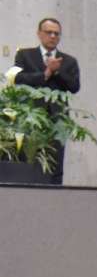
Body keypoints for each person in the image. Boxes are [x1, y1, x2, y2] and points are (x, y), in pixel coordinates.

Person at [14, 17, 81, 182]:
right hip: (30, 118)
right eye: (48, 32)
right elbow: (18, 79)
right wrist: (45, 74)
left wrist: (57, 71)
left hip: (57, 120)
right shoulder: (24, 55)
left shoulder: (69, 61)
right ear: (39, 34)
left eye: (56, 34)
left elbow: (74, 86)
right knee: (28, 162)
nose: (53, 36)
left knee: (55, 164)